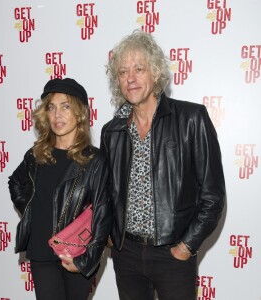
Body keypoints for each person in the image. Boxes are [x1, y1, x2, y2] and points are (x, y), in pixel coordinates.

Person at [100, 30, 226, 300]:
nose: (130, 78)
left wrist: (187, 246)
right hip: (126, 254)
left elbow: (213, 195)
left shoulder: (191, 119)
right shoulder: (111, 131)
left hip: (173, 253)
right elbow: (106, 192)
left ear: (155, 73)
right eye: (123, 72)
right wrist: (110, 234)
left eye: (139, 69)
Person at [8, 78, 112, 300]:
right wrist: (32, 212)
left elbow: (103, 213)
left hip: (75, 254)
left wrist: (87, 259)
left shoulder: (94, 159)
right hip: (41, 252)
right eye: (51, 107)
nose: (57, 115)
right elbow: (16, 183)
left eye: (65, 106)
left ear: (80, 113)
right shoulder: (37, 154)